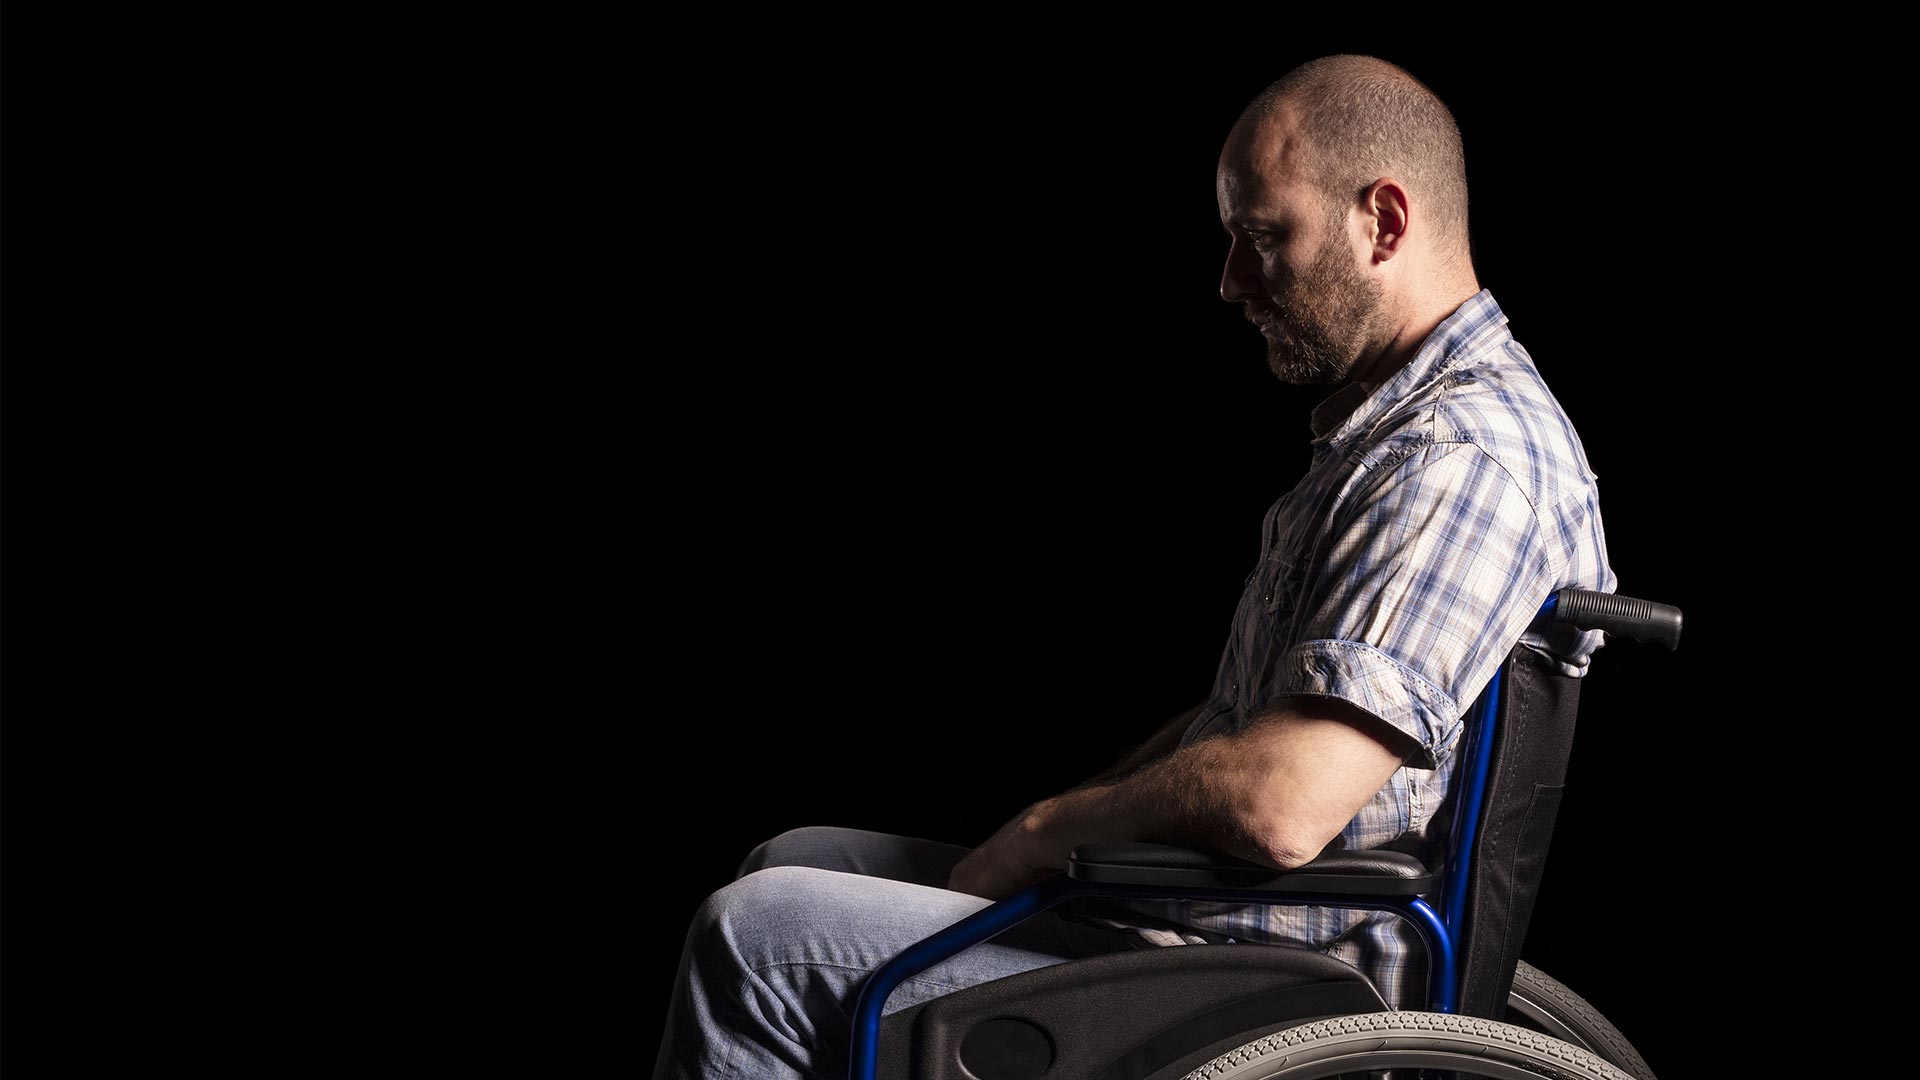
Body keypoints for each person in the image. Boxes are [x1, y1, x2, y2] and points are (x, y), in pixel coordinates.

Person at [652, 53, 1615, 1079]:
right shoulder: (1395, 442)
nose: (1231, 281)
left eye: (1261, 237)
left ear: (1383, 220)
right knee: (797, 860)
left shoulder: (1461, 462)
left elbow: (1280, 803)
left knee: (757, 936)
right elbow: (1240, 733)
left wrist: (1042, 831)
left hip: (1259, 985)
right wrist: (1061, 834)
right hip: (1190, 927)